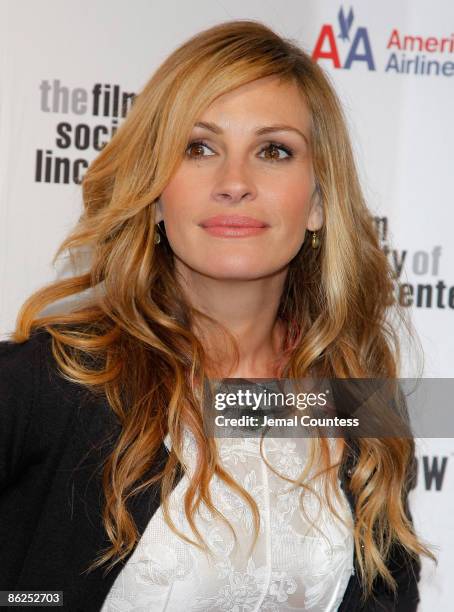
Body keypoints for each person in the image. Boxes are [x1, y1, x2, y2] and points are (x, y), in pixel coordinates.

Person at [0, 19, 436, 612]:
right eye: (199, 148)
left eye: (274, 151)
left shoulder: (357, 397)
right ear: (155, 193)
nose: (235, 182)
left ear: (317, 203)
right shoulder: (54, 381)